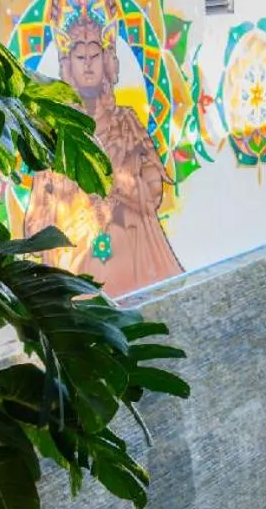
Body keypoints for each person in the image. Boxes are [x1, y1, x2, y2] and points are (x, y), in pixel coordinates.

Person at [25, 16, 184, 298]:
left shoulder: (128, 124)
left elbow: (154, 193)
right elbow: (36, 219)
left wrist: (124, 187)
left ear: (108, 61)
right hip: (78, 269)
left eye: (95, 55)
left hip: (134, 260)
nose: (88, 64)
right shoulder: (58, 128)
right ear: (68, 64)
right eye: (80, 56)